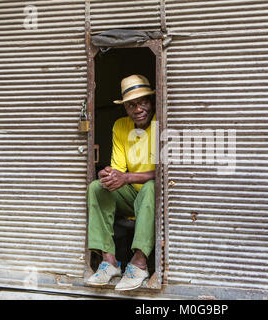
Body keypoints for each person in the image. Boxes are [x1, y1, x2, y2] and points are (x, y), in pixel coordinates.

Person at [85, 74, 156, 291]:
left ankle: (139, 263)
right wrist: (110, 175)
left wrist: (127, 177)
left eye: (143, 102)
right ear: (125, 108)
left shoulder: (162, 123)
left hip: (153, 197)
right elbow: (119, 170)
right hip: (131, 196)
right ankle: (110, 262)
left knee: (152, 188)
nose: (138, 109)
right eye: (131, 105)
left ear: (151, 101)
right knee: (97, 187)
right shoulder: (120, 126)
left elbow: (164, 172)